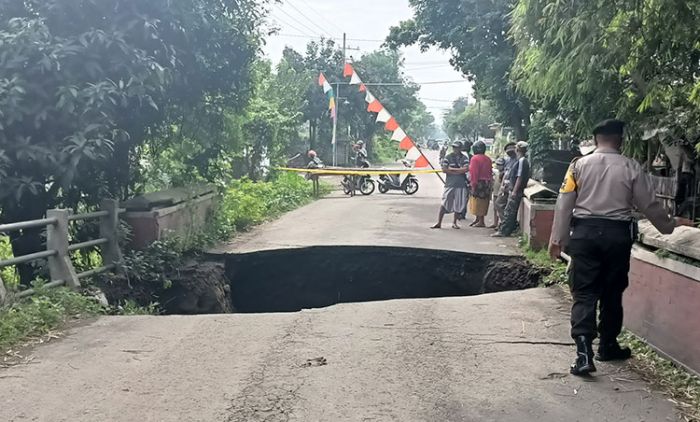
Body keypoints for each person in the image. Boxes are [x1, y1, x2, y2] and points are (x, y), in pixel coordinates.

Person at [548, 119, 676, 376]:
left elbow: (564, 203)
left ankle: (584, 354)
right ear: (620, 139)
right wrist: (668, 227)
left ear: (596, 140)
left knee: (584, 293)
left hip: (584, 235)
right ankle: (607, 346)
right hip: (618, 237)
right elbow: (649, 204)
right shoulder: (631, 167)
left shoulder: (578, 166)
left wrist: (556, 239)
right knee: (612, 292)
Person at [493, 141, 530, 237]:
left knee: (509, 211)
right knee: (508, 210)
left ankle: (504, 231)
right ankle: (508, 229)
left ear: (517, 149)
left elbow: (519, 177)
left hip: (516, 190)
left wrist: (514, 191)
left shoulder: (522, 161)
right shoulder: (520, 160)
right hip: (512, 188)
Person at [431, 140, 469, 229]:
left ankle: (454, 222)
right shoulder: (448, 157)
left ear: (460, 148)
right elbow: (444, 169)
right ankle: (439, 222)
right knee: (444, 202)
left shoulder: (464, 158)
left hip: (461, 184)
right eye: (454, 147)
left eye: (457, 147)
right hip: (449, 184)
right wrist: (458, 170)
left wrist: (452, 170)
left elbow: (466, 169)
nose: (455, 149)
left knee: (458, 204)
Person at [491, 143, 517, 230]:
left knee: (504, 206)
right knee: (499, 204)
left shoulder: (518, 161)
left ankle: (506, 225)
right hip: (505, 186)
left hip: (512, 186)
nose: (509, 152)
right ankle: (503, 223)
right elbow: (505, 174)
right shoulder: (508, 160)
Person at [468, 141, 493, 227]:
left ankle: (481, 221)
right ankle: (478, 219)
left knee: (477, 201)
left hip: (479, 182)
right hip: (487, 182)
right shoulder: (488, 159)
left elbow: (474, 172)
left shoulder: (474, 159)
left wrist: (473, 184)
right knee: (483, 201)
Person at [490, 157, 506, 229]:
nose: (499, 166)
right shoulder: (496, 172)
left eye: (500, 164)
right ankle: (495, 223)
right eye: (498, 164)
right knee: (495, 208)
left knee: (500, 209)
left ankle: (500, 223)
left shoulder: (505, 173)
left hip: (501, 193)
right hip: (496, 192)